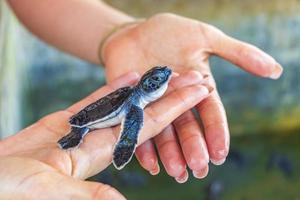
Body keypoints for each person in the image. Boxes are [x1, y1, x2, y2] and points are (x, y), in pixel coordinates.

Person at [1, 0, 282, 199]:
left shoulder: (136, 94)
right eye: (159, 80)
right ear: (150, 88)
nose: (165, 78)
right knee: (121, 129)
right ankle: (79, 131)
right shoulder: (134, 107)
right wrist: (124, 146)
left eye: (160, 78)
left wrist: (118, 34)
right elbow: (129, 130)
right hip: (87, 121)